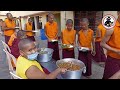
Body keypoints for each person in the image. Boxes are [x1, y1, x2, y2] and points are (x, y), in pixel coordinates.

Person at [100, 11, 120, 79]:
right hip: (113, 59)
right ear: (118, 13)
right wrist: (116, 51)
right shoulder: (112, 28)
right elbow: (102, 43)